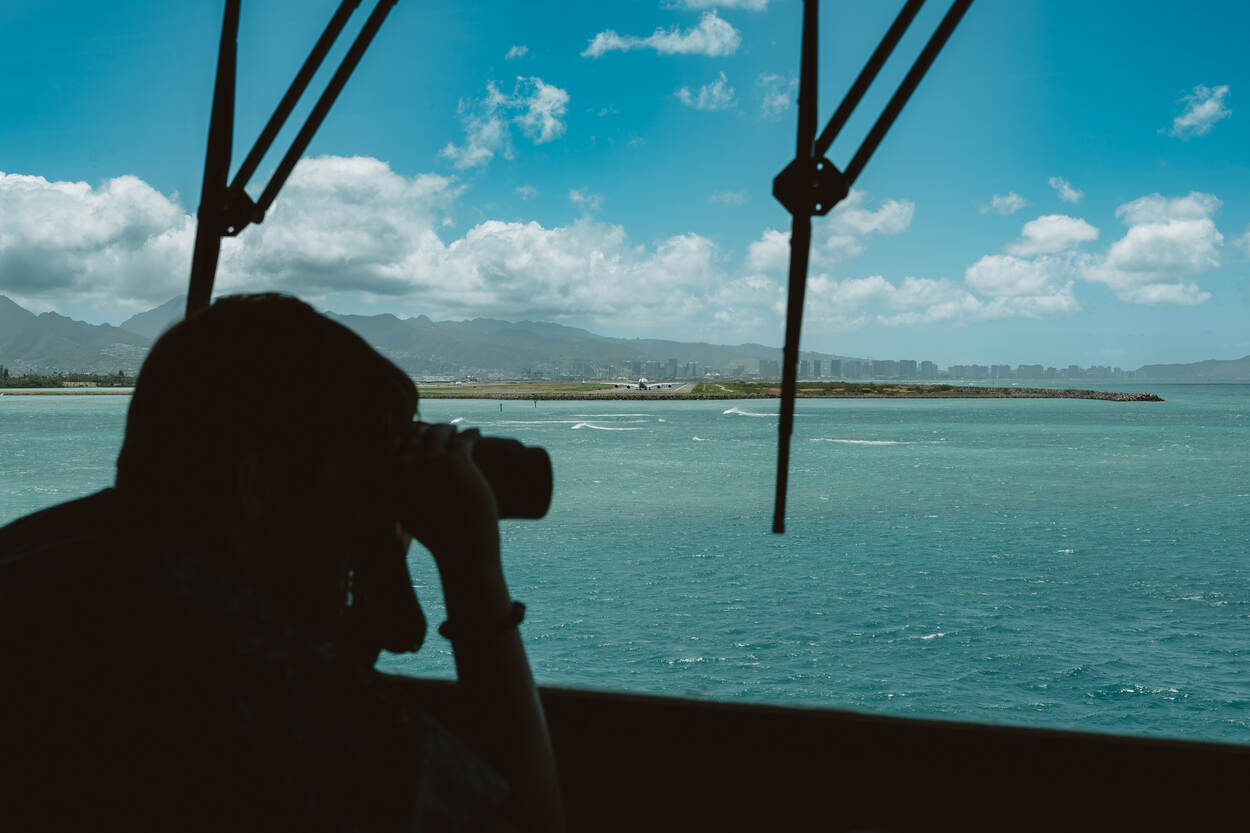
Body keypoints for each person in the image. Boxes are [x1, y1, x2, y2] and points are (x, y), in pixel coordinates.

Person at [0, 293, 564, 832]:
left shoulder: (40, 562)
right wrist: (472, 567)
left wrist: (376, 567)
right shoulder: (252, 679)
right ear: (258, 485)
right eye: (356, 475)